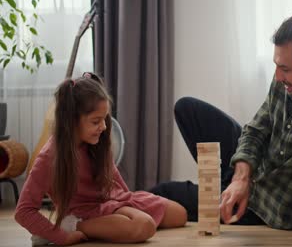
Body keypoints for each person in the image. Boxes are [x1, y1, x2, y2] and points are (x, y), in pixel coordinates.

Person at [150, 3, 292, 230]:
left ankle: (223, 195)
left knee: (162, 195)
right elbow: (256, 129)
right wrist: (241, 178)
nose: (278, 76)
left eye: (286, 69)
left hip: (263, 204)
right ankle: (228, 185)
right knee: (187, 108)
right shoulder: (284, 84)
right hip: (250, 169)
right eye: (277, 65)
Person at [15, 72, 187, 246]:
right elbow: (23, 211)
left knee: (179, 214)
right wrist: (60, 236)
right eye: (96, 121)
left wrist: (130, 205)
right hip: (84, 212)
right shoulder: (50, 156)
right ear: (71, 120)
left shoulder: (96, 142)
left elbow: (115, 181)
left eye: (104, 119)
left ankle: (108, 226)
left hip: (112, 202)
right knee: (144, 225)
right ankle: (72, 226)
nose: (103, 127)